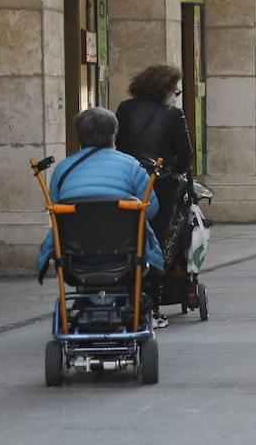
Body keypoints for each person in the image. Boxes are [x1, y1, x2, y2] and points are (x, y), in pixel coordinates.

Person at [37, 107, 163, 279]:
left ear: (79, 136)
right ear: (113, 135)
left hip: (76, 256)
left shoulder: (62, 169)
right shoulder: (132, 166)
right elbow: (151, 209)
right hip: (124, 254)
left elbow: (56, 211)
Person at [115, 65, 193, 327]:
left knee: (128, 240)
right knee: (156, 244)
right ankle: (153, 306)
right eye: (175, 88)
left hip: (127, 183)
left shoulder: (124, 109)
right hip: (161, 187)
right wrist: (177, 173)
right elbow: (185, 155)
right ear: (164, 89)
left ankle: (125, 299)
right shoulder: (173, 114)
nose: (178, 92)